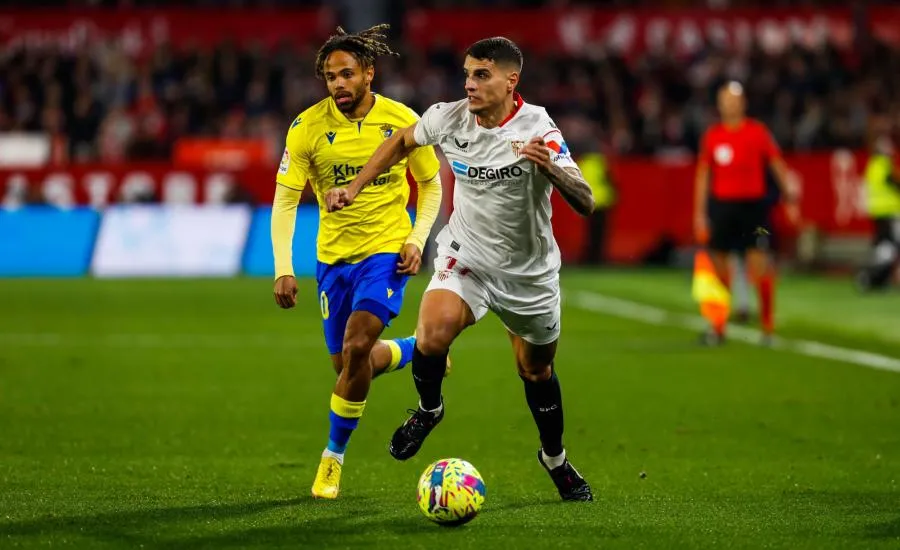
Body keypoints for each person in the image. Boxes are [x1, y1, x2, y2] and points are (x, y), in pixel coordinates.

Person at [326, 37, 595, 501]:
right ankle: (429, 410)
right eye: (467, 74)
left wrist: (551, 170)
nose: (469, 84)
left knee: (536, 371)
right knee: (431, 335)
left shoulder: (539, 129)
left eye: (481, 75)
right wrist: (355, 186)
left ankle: (555, 459)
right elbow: (400, 142)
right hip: (465, 256)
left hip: (528, 274)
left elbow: (586, 201)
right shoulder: (448, 117)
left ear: (512, 81)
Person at [270, 24, 445, 500]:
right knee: (349, 365)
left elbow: (430, 183)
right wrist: (284, 267)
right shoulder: (307, 127)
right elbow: (286, 200)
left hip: (385, 252)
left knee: (356, 344)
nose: (338, 84)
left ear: (370, 72)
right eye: (330, 77)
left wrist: (416, 238)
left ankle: (332, 459)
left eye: (347, 73)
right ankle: (416, 350)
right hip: (333, 259)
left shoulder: (401, 119)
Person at [694, 81, 800, 346]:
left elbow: (776, 163)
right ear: (719, 105)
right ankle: (718, 327)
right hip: (722, 208)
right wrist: (699, 213)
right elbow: (703, 175)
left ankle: (767, 327)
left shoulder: (758, 132)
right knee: (718, 268)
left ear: (743, 103)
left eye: (733, 99)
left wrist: (790, 197)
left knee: (760, 265)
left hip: (754, 209)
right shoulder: (713, 135)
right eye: (724, 100)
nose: (729, 104)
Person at [856, 136, 900, 291]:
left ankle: (877, 278)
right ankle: (871, 276)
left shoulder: (872, 165)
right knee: (890, 247)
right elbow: (894, 184)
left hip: (878, 211)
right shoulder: (883, 165)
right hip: (889, 212)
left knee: (884, 246)